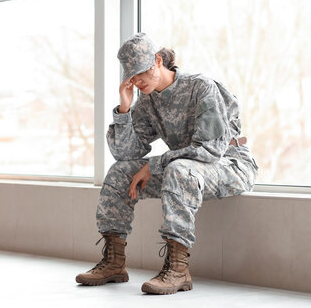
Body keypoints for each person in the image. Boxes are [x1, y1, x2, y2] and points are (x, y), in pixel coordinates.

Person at [75, 32, 258, 295]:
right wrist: (124, 110)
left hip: (230, 164)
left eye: (141, 73)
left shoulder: (201, 87)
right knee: (120, 173)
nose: (137, 82)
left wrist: (154, 165)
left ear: (158, 61)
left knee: (177, 169)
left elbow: (210, 149)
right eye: (132, 77)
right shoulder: (147, 100)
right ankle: (114, 262)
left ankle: (178, 269)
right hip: (186, 169)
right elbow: (125, 154)